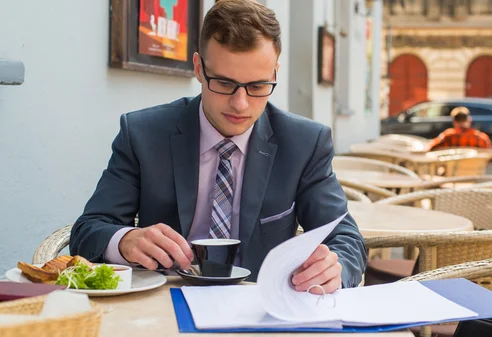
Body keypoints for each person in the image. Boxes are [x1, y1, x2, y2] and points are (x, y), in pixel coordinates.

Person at [69, 0, 366, 294]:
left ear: (274, 74)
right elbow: (89, 230)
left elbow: (346, 238)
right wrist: (125, 240)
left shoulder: (304, 143)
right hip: (162, 307)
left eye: (258, 86)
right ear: (198, 68)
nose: (240, 104)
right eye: (223, 83)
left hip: (261, 309)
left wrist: (333, 267)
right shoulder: (144, 134)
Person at [428, 106, 492, 151]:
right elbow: (489, 153)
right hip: (475, 169)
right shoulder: (481, 138)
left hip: (452, 169)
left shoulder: (447, 136)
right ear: (469, 120)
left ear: (454, 122)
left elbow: (431, 147)